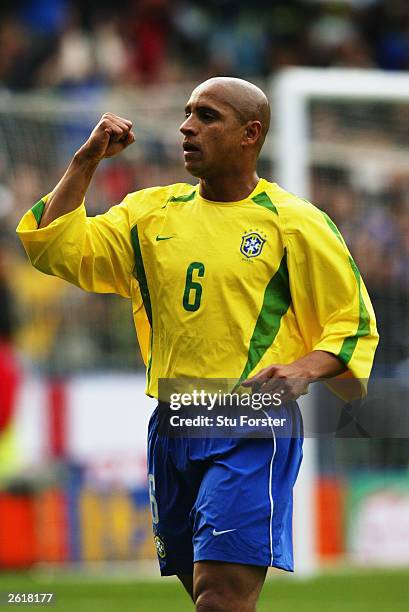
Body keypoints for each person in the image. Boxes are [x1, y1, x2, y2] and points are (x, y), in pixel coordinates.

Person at [17, 77, 378, 611]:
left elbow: (354, 324)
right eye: (187, 113)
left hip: (250, 422)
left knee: (219, 598)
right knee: (211, 599)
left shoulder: (296, 223)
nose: (187, 127)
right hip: (174, 423)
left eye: (207, 116)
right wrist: (85, 162)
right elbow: (56, 247)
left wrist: (303, 369)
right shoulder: (148, 215)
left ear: (249, 134)